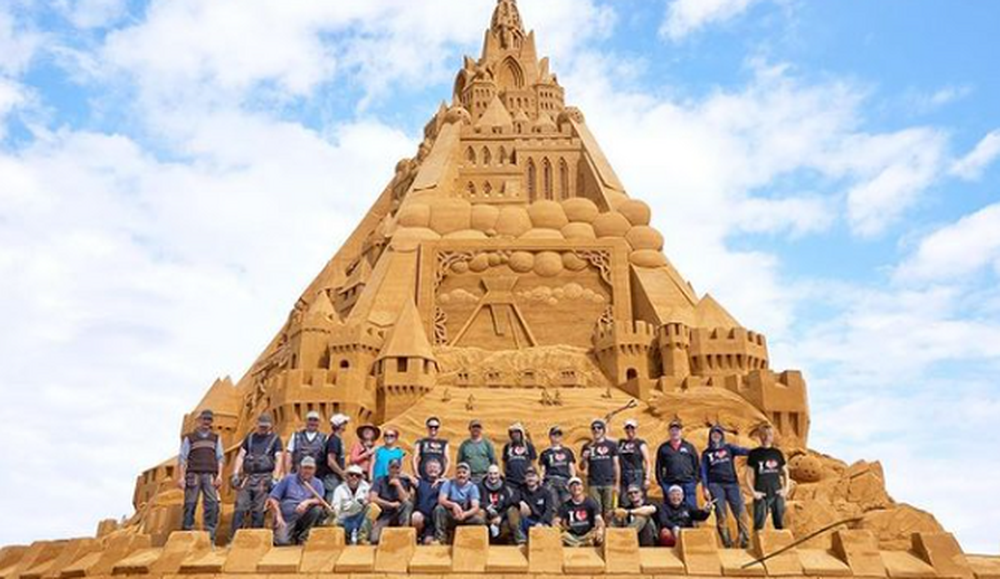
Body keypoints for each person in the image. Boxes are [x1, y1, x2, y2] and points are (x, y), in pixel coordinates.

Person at [231, 413, 284, 536]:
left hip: (264, 479)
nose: (263, 429)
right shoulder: (249, 438)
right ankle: (234, 538)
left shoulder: (275, 440)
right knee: (240, 507)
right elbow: (240, 456)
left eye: (266, 427)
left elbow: (279, 458)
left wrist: (275, 478)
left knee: (258, 510)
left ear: (270, 426)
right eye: (261, 426)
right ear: (257, 425)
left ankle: (256, 538)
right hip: (248, 478)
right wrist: (235, 474)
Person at [178, 409, 225, 541]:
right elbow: (182, 458)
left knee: (212, 504)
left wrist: (220, 476)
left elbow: (220, 458)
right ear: (199, 421)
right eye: (204, 419)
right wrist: (181, 477)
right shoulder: (190, 438)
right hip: (193, 474)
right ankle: (186, 533)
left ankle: (210, 537)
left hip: (210, 475)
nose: (206, 422)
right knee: (190, 503)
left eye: (209, 420)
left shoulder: (216, 438)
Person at [702, 425, 751, 548]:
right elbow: (704, 471)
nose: (716, 436)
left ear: (722, 435)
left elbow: (743, 451)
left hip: (732, 484)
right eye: (714, 433)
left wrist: (759, 452)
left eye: (718, 433)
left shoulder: (729, 448)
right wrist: (705, 488)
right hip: (715, 485)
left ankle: (745, 540)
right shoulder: (706, 453)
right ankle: (727, 543)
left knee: (740, 511)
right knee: (721, 514)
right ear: (710, 436)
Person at [267, 456, 328, 546]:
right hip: (286, 518)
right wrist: (278, 516)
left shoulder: (317, 483)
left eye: (310, 468)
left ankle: (303, 536)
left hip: (304, 516)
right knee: (282, 542)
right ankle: (291, 534)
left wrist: (307, 502)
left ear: (315, 470)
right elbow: (273, 498)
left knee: (317, 510)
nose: (307, 471)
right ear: (299, 468)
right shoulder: (288, 479)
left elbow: (320, 500)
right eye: (305, 468)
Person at [745, 424, 790, 532]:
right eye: (763, 435)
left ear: (772, 436)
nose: (766, 437)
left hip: (777, 494)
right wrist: (753, 493)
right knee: (758, 526)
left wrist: (786, 488)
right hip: (761, 495)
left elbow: (785, 472)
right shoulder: (754, 454)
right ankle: (757, 547)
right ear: (760, 436)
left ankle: (780, 547)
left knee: (779, 524)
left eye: (769, 434)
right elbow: (748, 476)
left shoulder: (777, 453)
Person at [433, 463, 485, 544]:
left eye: (464, 472)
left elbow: (475, 507)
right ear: (456, 474)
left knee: (479, 521)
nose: (461, 475)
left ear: (468, 475)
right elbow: (441, 500)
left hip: (465, 516)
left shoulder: (473, 487)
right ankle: (440, 538)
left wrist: (464, 515)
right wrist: (453, 505)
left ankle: (474, 542)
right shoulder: (448, 483)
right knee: (439, 509)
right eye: (459, 472)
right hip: (451, 515)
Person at [655, 419, 700, 509]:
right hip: (670, 483)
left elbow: (696, 464)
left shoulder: (689, 447)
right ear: (669, 431)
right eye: (672, 430)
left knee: (691, 507)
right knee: (671, 508)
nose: (675, 432)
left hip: (688, 482)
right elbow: (659, 467)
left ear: (681, 431)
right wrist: (662, 483)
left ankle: (691, 523)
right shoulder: (663, 448)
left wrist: (695, 481)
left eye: (677, 430)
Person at [579, 419, 620, 517]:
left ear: (604, 430)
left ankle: (608, 530)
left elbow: (616, 465)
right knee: (596, 510)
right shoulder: (587, 446)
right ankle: (598, 530)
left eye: (599, 428)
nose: (596, 430)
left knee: (609, 510)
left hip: (608, 482)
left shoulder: (611, 445)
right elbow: (581, 467)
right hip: (593, 483)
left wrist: (617, 483)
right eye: (593, 428)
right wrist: (584, 459)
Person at [368, 458, 413, 544]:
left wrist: (398, 485)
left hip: (398, 514)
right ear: (388, 468)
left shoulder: (404, 481)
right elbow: (372, 498)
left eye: (397, 468)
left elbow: (406, 500)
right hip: (384, 515)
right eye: (392, 467)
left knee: (408, 505)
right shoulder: (380, 480)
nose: (395, 470)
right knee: (374, 539)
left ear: (400, 469)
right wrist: (390, 504)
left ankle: (403, 533)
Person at [514, 467, 557, 546]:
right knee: (513, 511)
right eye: (528, 476)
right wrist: (519, 502)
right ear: (525, 478)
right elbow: (512, 500)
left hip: (541, 521)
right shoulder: (520, 489)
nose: (531, 479)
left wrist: (541, 522)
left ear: (537, 478)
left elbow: (548, 510)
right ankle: (521, 541)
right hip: (527, 521)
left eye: (533, 476)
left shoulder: (546, 492)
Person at [330, 465, 372, 545]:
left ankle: (362, 537)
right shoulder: (339, 489)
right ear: (347, 476)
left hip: (360, 519)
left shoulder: (366, 488)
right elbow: (336, 506)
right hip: (344, 519)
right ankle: (345, 536)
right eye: (351, 474)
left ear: (361, 478)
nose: (354, 477)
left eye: (357, 476)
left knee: (373, 508)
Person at [558, 477, 605, 547]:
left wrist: (600, 529)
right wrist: (556, 524)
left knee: (598, 536)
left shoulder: (591, 502)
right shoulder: (565, 505)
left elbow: (598, 519)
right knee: (558, 537)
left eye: (578, 485)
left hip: (587, 535)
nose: (576, 487)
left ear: (582, 487)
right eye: (572, 486)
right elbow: (557, 520)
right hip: (571, 536)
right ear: (569, 489)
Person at [479, 464, 519, 543]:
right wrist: (486, 506)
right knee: (479, 512)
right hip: (487, 517)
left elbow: (509, 505)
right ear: (487, 474)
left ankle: (516, 540)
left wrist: (500, 517)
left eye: (495, 473)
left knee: (512, 511)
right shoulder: (480, 487)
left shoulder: (506, 488)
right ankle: (480, 540)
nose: (493, 476)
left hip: (502, 517)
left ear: (499, 474)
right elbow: (476, 501)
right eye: (490, 474)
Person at [618, 420, 652, 506]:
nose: (630, 430)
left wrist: (647, 478)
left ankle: (640, 519)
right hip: (624, 475)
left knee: (638, 499)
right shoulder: (621, 443)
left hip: (636, 475)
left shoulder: (640, 443)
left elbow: (647, 462)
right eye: (627, 428)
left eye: (632, 428)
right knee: (624, 500)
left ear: (636, 429)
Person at [539, 426, 576, 504]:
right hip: (550, 480)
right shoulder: (546, 453)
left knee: (568, 504)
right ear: (550, 436)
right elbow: (543, 469)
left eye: (558, 435)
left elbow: (571, 467)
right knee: (552, 505)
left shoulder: (567, 451)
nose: (556, 437)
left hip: (565, 480)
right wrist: (540, 481)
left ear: (561, 437)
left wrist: (573, 480)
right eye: (554, 434)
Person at [412, 459, 445, 544]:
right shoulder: (419, 482)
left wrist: (444, 480)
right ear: (426, 470)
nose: (433, 469)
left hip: (435, 519)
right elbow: (401, 474)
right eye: (430, 467)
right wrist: (409, 477)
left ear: (440, 470)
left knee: (428, 543)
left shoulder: (445, 484)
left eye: (435, 467)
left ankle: (430, 537)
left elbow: (461, 479)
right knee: (416, 517)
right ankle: (416, 537)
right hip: (422, 517)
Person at [286, 411, 328, 476]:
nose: (312, 422)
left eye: (315, 420)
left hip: (317, 476)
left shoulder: (324, 438)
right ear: (306, 421)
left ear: (318, 422)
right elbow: (289, 454)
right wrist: (287, 473)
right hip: (297, 475)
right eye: (310, 420)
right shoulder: (296, 436)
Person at [457, 420, 497, 484]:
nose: (476, 429)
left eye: (478, 427)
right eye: (474, 427)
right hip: (469, 478)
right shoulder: (464, 445)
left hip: (485, 478)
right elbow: (460, 462)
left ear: (481, 429)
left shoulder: (487, 444)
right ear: (469, 429)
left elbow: (493, 461)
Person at [502, 423, 537, 494]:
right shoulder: (507, 447)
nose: (515, 434)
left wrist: (531, 474)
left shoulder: (528, 446)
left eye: (517, 432)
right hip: (511, 481)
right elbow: (504, 462)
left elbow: (533, 461)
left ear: (521, 433)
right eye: (513, 432)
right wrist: (506, 472)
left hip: (525, 480)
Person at [323, 414, 350, 503]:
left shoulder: (337, 439)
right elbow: (331, 461)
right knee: (333, 502)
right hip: (332, 477)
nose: (346, 425)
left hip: (335, 476)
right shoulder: (334, 440)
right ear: (339, 425)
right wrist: (342, 473)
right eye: (344, 423)